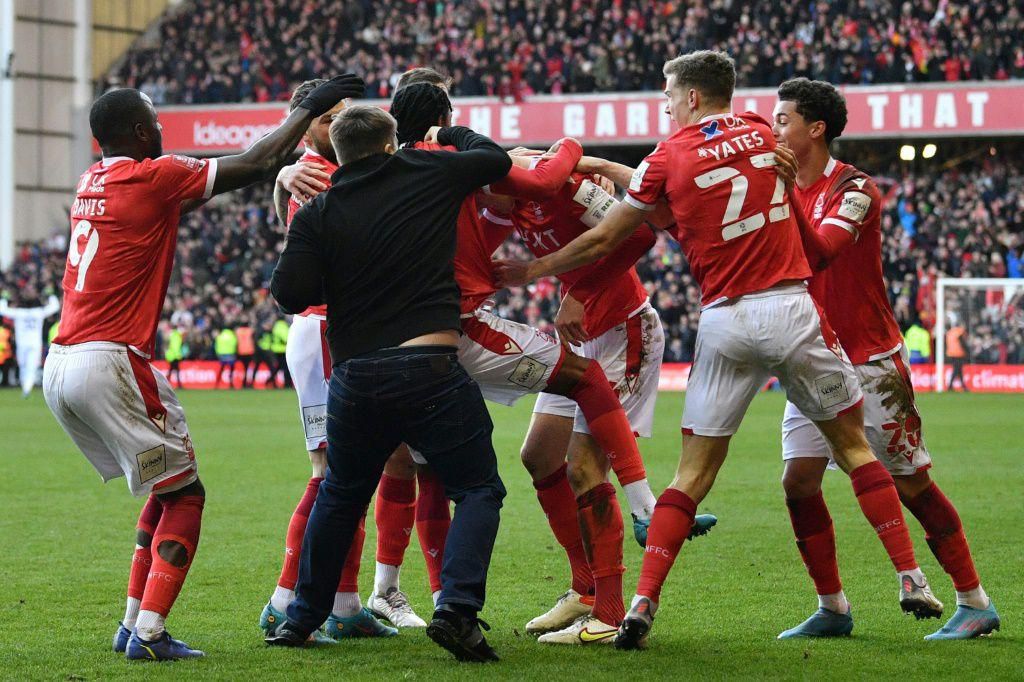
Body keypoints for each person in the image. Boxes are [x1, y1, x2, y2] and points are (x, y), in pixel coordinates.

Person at [495, 51, 933, 650]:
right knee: (854, 448)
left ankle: (639, 604)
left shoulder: (668, 155)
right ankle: (911, 578)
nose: (666, 107)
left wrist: (533, 270)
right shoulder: (758, 130)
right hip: (792, 307)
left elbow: (612, 231)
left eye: (669, 97)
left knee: (692, 474)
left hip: (727, 318)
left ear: (692, 98)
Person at [42, 76, 365, 661]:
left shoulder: (92, 181)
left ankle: (131, 624)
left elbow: (233, 179)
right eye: (155, 122)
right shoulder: (154, 175)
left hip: (60, 362)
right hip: (110, 357)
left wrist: (284, 172)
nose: (164, 131)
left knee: (167, 491)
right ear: (140, 132)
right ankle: (149, 634)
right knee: (188, 497)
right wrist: (306, 110)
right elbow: (256, 160)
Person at [265, 105, 510, 663]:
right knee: (477, 489)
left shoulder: (319, 211)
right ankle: (457, 609)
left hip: (356, 377)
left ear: (339, 155)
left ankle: (300, 617)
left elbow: (289, 295)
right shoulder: (428, 174)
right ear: (391, 143)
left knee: (341, 494)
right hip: (430, 367)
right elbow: (493, 159)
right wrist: (447, 133)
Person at [771, 77, 998, 639]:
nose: (775, 128)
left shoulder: (856, 189)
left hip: (870, 358)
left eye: (783, 120)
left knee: (911, 484)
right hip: (813, 357)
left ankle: (973, 600)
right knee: (799, 482)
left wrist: (779, 195)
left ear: (814, 128)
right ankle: (833, 607)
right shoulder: (781, 190)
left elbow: (822, 252)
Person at [483, 161, 716, 644]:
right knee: (538, 456)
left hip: (625, 333)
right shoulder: (516, 206)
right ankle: (585, 588)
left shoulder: (567, 188)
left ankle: (608, 614)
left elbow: (637, 237)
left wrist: (579, 292)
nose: (487, 207)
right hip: (581, 340)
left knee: (585, 469)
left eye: (487, 195)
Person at [259, 79, 405, 641]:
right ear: (308, 124)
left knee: (352, 477)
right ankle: (283, 598)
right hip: (324, 331)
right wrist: (279, 175)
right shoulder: (317, 171)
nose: (341, 126)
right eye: (330, 118)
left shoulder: (309, 171)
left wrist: (276, 179)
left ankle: (344, 605)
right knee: (328, 478)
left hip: (343, 332)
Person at [0, 292, 60, 397]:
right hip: (34, 344)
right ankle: (26, 387)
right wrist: (51, 295)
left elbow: (2, 310)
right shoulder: (38, 312)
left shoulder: (19, 313)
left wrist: (4, 298)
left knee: (23, 366)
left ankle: (26, 388)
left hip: (22, 344)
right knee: (31, 366)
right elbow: (55, 306)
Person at [945, 320, 969, 391]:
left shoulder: (950, 332)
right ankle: (950, 386)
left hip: (951, 353)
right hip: (958, 353)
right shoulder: (960, 331)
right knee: (957, 369)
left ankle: (963, 386)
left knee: (958, 370)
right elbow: (962, 342)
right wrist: (967, 351)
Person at [213, 324, 238, 389]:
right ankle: (231, 383)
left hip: (222, 354)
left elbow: (216, 345)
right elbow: (235, 345)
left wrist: (218, 354)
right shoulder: (232, 336)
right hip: (230, 354)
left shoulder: (220, 336)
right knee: (231, 370)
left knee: (222, 369)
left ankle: (217, 383)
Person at [235, 320, 256, 388]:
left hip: (241, 351)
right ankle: (248, 382)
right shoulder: (250, 330)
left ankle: (243, 382)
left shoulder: (238, 331)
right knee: (249, 368)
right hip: (249, 351)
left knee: (244, 368)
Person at [164, 324, 185, 389]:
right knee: (175, 370)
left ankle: (167, 383)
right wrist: (178, 355)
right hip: (174, 356)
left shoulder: (172, 335)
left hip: (171, 356)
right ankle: (178, 385)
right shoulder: (177, 336)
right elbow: (176, 347)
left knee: (172, 370)